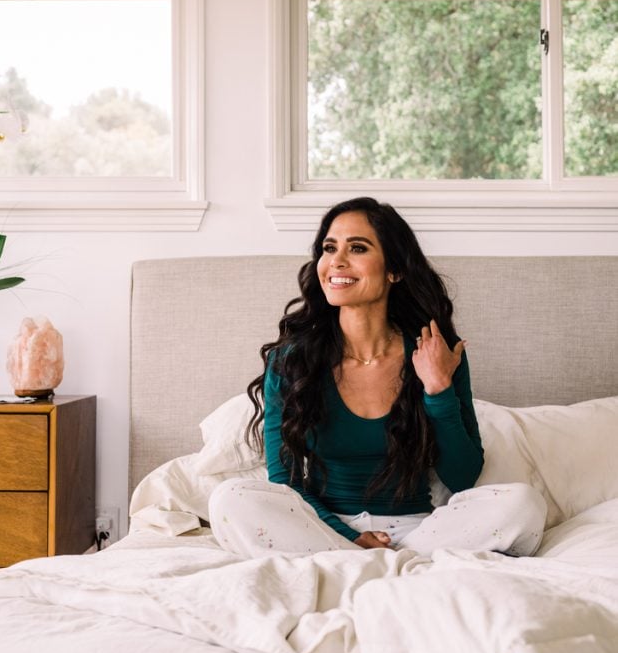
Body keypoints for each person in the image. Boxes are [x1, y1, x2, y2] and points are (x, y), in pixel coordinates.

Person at [208, 197, 546, 558]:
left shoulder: (437, 353)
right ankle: (383, 564)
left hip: (419, 531)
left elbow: (463, 477)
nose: (336, 261)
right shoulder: (292, 361)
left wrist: (438, 391)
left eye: (357, 248)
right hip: (322, 528)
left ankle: (380, 563)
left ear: (394, 270)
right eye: (328, 248)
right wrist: (349, 538)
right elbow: (285, 482)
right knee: (231, 499)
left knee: (524, 503)